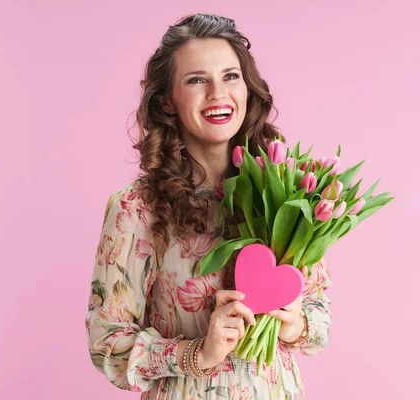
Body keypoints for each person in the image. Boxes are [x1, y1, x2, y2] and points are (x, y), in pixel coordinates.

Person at [85, 13, 333, 399]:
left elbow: (319, 313)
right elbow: (107, 343)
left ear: (248, 88)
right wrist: (197, 353)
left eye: (231, 76)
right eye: (197, 80)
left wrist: (294, 324)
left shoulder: (286, 194)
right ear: (167, 101)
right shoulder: (136, 207)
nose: (218, 94)